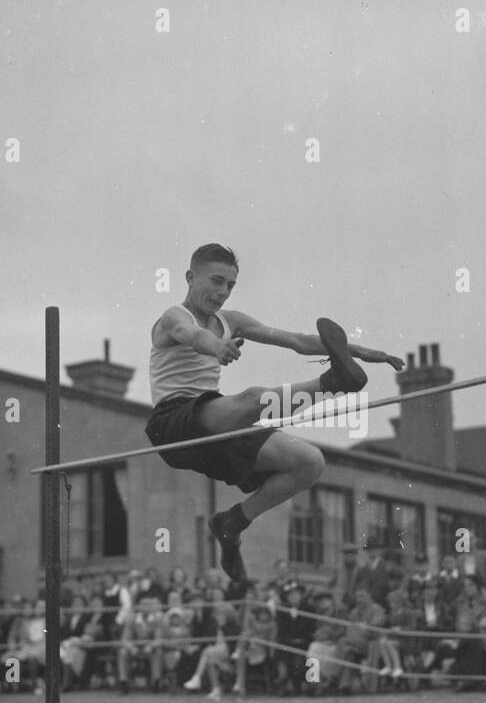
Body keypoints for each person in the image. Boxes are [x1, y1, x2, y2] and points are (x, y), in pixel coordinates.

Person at [144, 243, 404, 583]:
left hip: (216, 421)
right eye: (216, 281)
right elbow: (189, 335)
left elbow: (294, 340)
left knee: (309, 462)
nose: (223, 292)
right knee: (253, 399)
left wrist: (357, 350)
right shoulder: (174, 316)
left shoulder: (231, 320)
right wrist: (217, 346)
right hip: (174, 423)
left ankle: (232, 523)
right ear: (191, 277)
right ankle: (331, 384)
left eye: (230, 286)